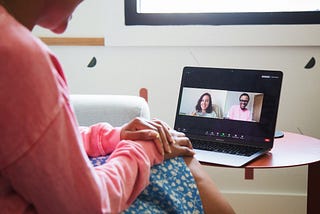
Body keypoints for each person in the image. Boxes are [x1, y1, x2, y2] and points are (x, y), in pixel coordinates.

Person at [0, 1, 234, 213]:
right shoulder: (19, 58)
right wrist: (142, 149)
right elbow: (89, 207)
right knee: (176, 160)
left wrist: (115, 136)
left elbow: (32, 139)